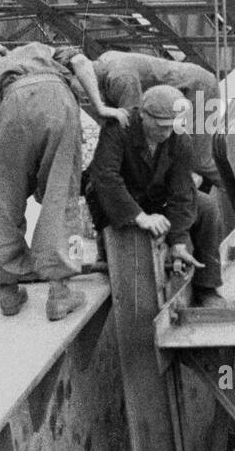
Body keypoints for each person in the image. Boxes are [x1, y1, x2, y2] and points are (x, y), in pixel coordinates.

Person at [0, 41, 129, 320]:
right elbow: (80, 63)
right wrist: (100, 107)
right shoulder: (35, 49)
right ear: (2, 53)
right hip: (57, 98)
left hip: (10, 110)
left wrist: (22, 172)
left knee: (5, 198)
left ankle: (7, 291)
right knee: (60, 194)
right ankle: (60, 293)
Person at [86, 84, 224, 306]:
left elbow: (181, 191)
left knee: (206, 206)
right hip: (115, 202)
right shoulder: (118, 128)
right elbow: (105, 177)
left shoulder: (178, 138)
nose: (167, 134)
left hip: (153, 197)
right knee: (125, 233)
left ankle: (206, 287)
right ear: (142, 114)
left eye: (172, 127)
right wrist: (139, 217)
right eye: (161, 127)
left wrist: (178, 241)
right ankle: (106, 247)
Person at [93, 51, 221, 185]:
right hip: (188, 87)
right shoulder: (104, 63)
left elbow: (133, 127)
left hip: (200, 89)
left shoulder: (122, 79)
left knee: (199, 160)